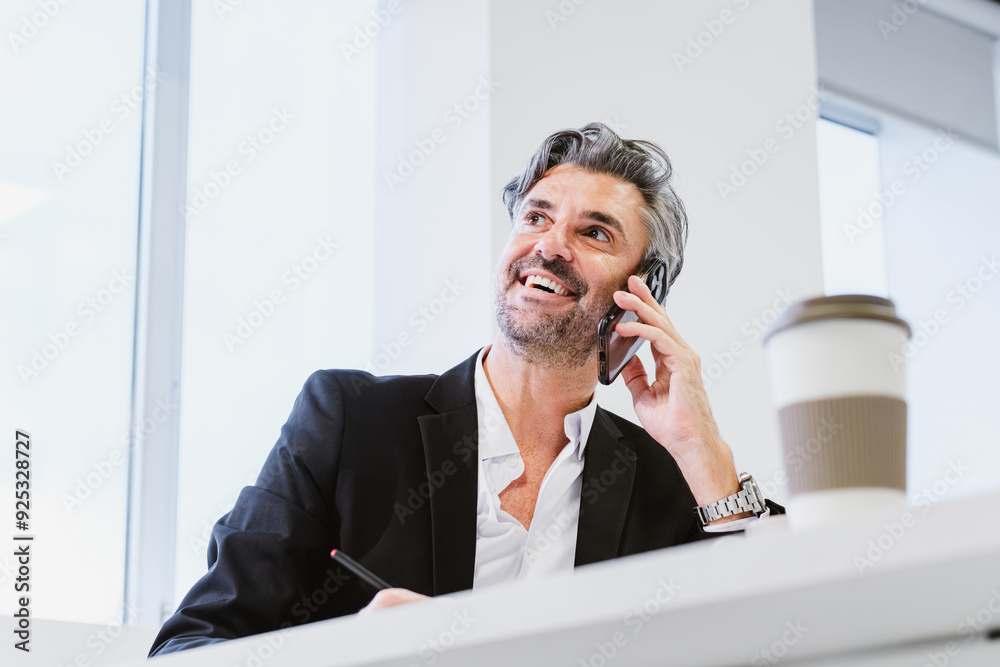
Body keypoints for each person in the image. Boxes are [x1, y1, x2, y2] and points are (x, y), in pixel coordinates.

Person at [149, 122, 781, 656]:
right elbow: (189, 648)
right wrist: (348, 657)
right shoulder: (349, 421)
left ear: (640, 297)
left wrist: (703, 451)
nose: (549, 246)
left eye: (595, 233)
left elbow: (779, 644)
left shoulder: (673, 481)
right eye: (536, 217)